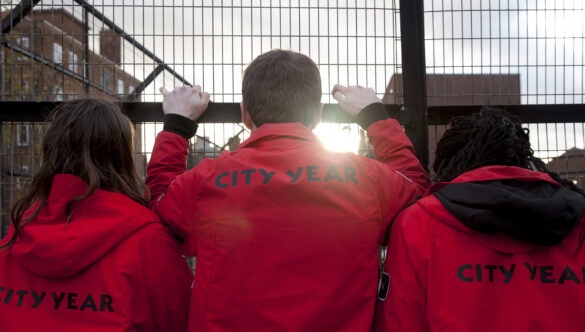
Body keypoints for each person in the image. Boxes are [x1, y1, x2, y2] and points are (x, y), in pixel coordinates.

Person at [146, 49, 429, 332]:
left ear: (244, 112)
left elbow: (159, 203)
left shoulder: (208, 180)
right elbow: (416, 192)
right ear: (317, 115)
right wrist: (375, 117)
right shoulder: (367, 179)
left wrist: (177, 125)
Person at [374, 108, 585, 331]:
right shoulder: (578, 217)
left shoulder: (418, 222)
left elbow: (399, 321)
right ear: (525, 158)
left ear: (449, 165)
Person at [0, 99, 193, 332]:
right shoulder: (147, 242)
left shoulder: (14, 241)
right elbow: (183, 318)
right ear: (122, 157)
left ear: (50, 152)